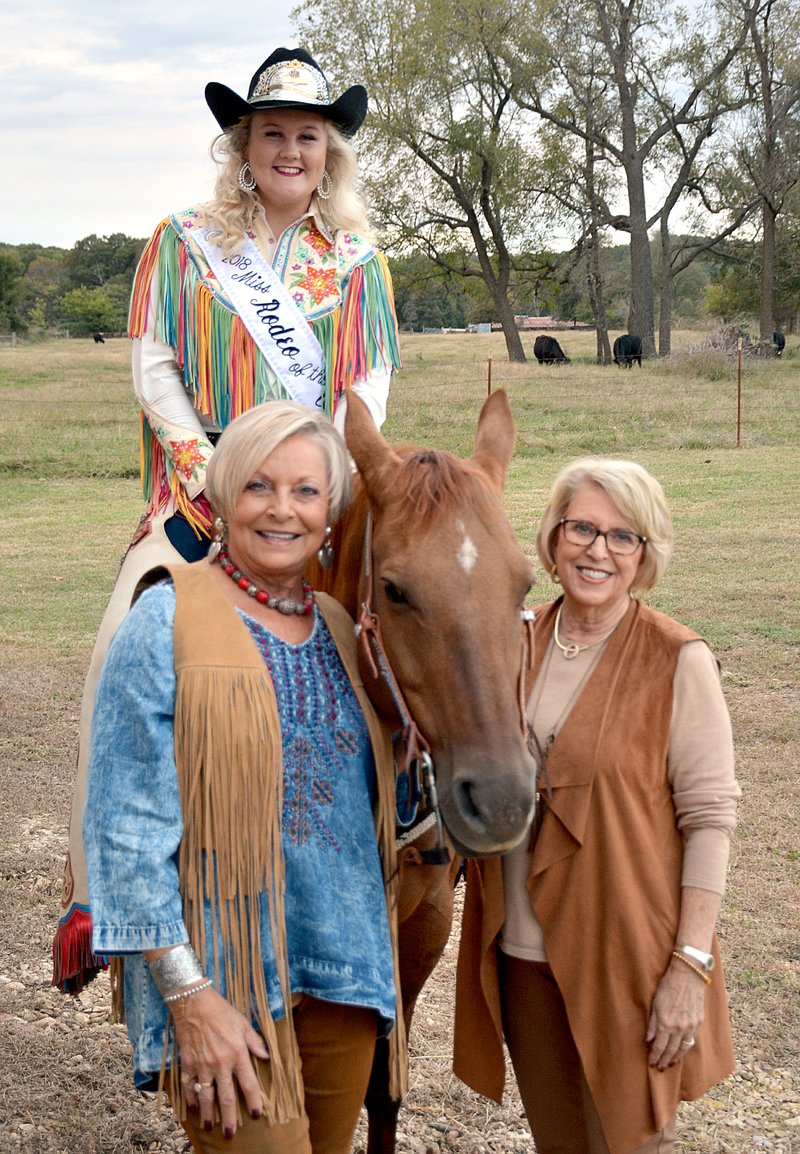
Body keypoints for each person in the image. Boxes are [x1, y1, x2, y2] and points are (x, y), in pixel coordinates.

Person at [53, 46, 401, 992]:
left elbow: (365, 386)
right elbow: (155, 364)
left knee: (414, 616)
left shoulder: (361, 261)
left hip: (315, 488)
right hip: (203, 481)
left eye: (308, 137)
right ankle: (92, 885)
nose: (291, 151)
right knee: (126, 620)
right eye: (272, 134)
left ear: (330, 154)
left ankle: (415, 818)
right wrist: (210, 471)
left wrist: (317, 483)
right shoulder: (183, 239)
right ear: (243, 146)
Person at [83, 401, 405, 1153]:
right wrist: (190, 1001)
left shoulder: (341, 628)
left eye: (306, 491)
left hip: (344, 977)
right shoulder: (162, 620)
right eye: (260, 486)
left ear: (331, 511)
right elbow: (127, 835)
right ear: (225, 495)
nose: (282, 510)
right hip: (225, 984)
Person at [453, 458, 740, 1154]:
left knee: (629, 1140)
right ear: (554, 539)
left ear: (644, 557)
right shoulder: (514, 642)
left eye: (622, 537)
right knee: (560, 1141)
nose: (598, 550)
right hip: (520, 955)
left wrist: (689, 968)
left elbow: (709, 821)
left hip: (627, 962)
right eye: (583, 528)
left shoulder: (676, 659)